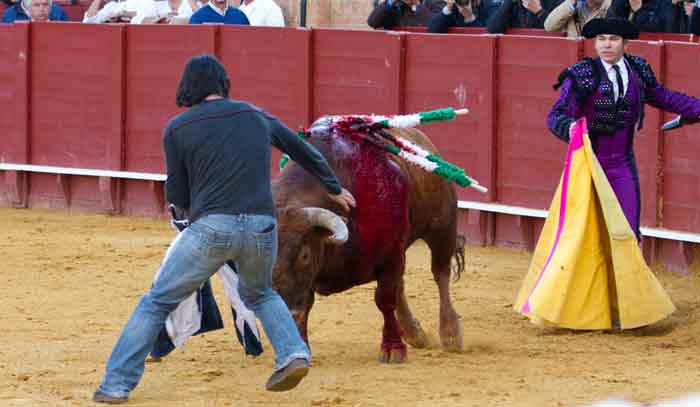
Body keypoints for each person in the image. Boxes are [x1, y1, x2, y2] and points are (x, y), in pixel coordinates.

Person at [92, 54, 356, 404]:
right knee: (260, 294)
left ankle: (116, 385)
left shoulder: (178, 127)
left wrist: (192, 211)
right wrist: (334, 188)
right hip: (263, 227)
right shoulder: (256, 116)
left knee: (156, 302)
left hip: (212, 228)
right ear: (223, 85)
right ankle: (293, 352)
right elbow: (302, 150)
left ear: (188, 87)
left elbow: (177, 193)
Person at [514, 17, 700, 331]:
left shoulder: (637, 71)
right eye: (601, 39)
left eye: (613, 39)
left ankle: (623, 308)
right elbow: (556, 115)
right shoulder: (583, 75)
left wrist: (697, 108)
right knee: (580, 234)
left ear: (625, 43)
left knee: (626, 232)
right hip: (589, 164)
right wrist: (572, 128)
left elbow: (663, 96)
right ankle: (574, 306)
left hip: (621, 165)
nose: (606, 45)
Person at [486, 0, 561, 33]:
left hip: (545, 51)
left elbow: (559, 28)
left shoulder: (552, 2)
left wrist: (539, 12)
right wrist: (509, 2)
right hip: (517, 52)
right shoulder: (514, 4)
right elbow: (493, 28)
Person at [544, 0, 610, 36]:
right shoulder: (573, 5)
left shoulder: (612, 5)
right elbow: (549, 27)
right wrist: (571, 2)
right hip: (573, 55)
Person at [428, 0, 500, 32]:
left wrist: (470, 18)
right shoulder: (454, 7)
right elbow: (433, 30)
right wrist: (447, 9)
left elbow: (487, 38)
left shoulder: (491, 6)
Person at [367, 0, 445, 29]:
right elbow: (372, 22)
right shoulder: (396, 6)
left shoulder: (435, 2)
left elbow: (435, 26)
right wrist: (390, 2)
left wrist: (416, 3)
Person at [2, 0, 67, 22]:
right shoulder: (9, 14)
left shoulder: (58, 12)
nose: (41, 9)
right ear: (28, 8)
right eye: (37, 5)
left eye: (45, 5)